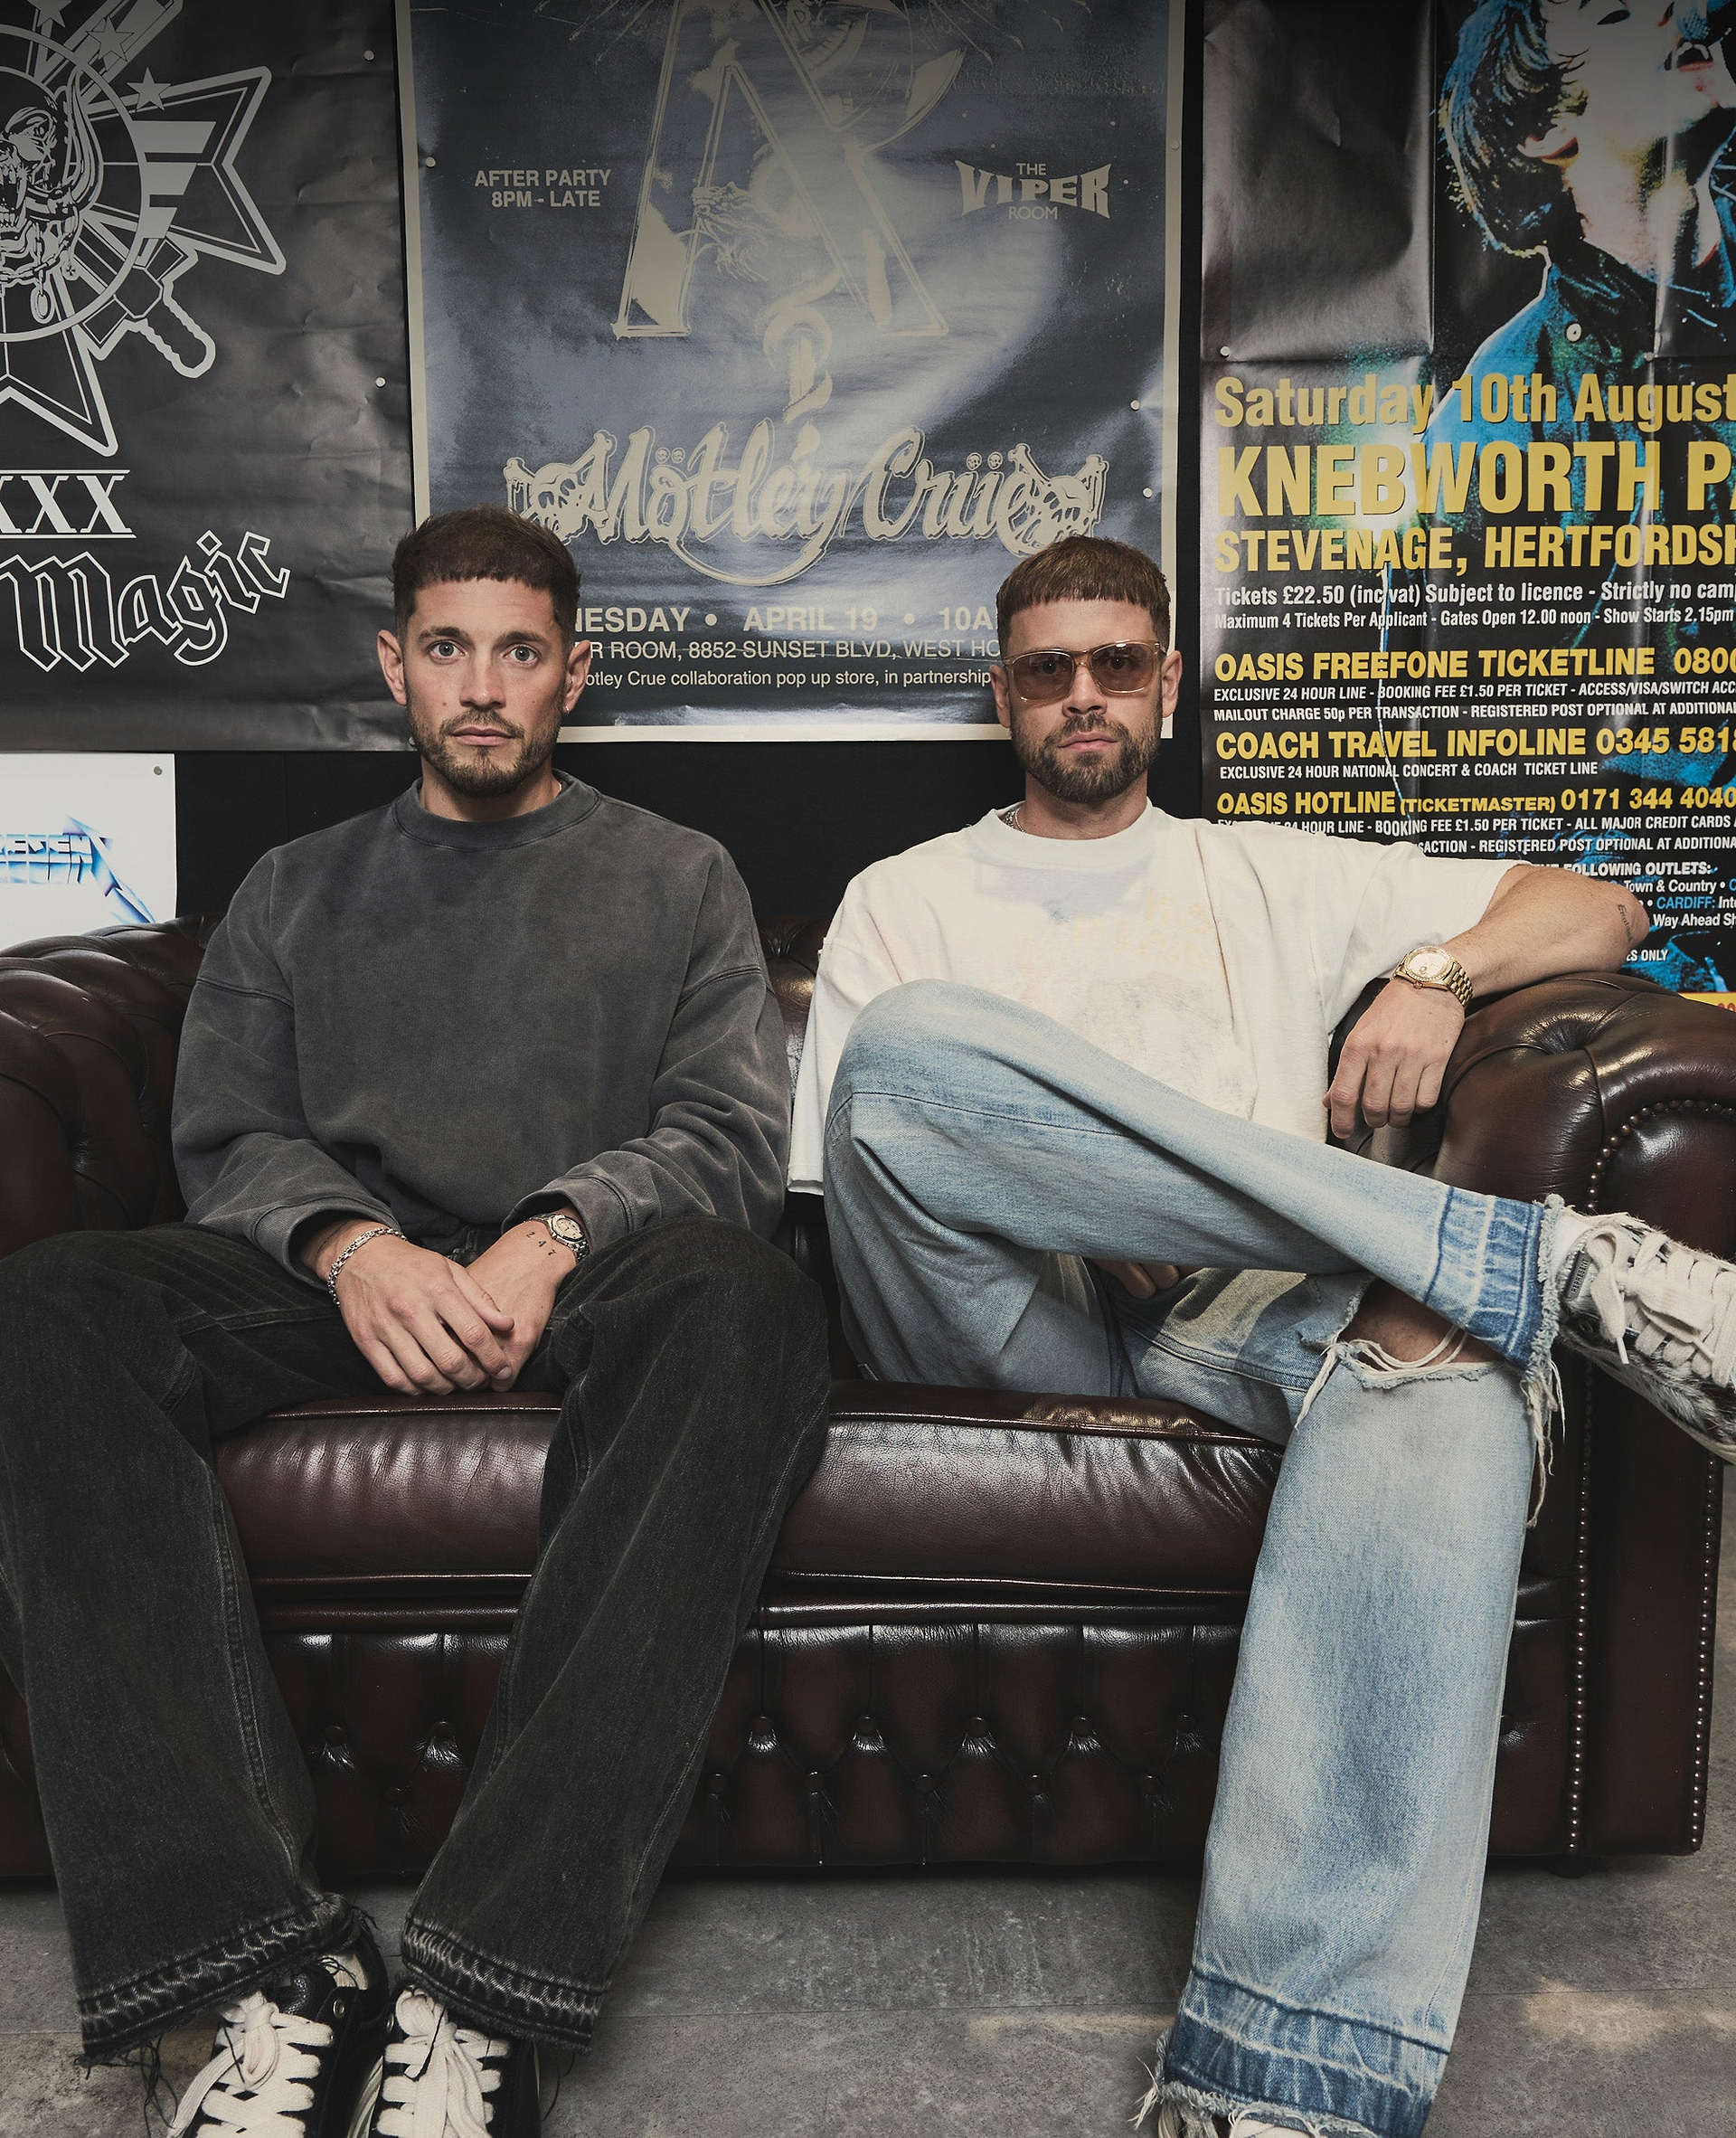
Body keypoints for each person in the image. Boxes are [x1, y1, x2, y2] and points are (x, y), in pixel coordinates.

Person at [791, 532, 1736, 2138]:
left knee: (1447, 1363)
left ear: (1168, 682)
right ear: (1003, 694)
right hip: (1005, 1326)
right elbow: (867, 1170)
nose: (1084, 695)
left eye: (1117, 663)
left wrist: (1436, 971)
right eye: (1046, 670)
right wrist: (1083, 1203)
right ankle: (1555, 1265)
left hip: (1244, 1307)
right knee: (907, 1054)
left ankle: (1285, 2081)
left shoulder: (1271, 869)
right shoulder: (906, 894)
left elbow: (1600, 903)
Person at [0, 506, 830, 2138]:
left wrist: (554, 1231)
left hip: (584, 1274)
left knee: (747, 1303)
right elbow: (229, 1131)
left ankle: (484, 1982)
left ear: (573, 673)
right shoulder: (294, 888)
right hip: (345, 1284)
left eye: (520, 651)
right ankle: (265, 1969)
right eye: (448, 647)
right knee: (52, 1304)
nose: (483, 684)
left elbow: (730, 1135)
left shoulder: (678, 876)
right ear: (395, 666)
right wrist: (349, 1245)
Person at [1437, 0, 1736, 873]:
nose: (1681, 12)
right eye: (1616, 15)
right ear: (1545, 129)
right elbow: (1462, 752)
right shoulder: (1494, 413)